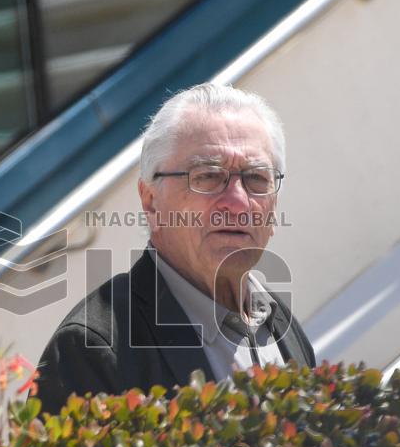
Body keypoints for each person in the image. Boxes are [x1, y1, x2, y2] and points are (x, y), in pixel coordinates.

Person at [37, 84, 314, 413]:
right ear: (151, 200)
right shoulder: (93, 348)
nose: (238, 202)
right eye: (208, 176)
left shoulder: (277, 321)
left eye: (256, 178)